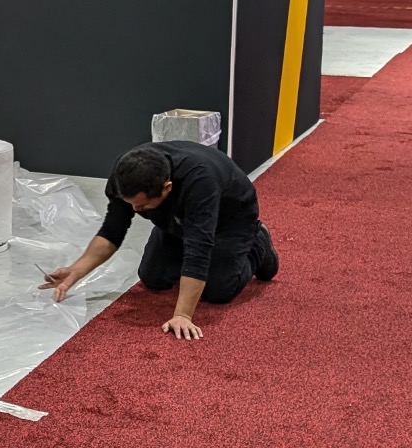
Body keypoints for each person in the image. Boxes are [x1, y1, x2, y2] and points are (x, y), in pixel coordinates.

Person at [41, 140, 278, 341]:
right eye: (132, 204)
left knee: (217, 290)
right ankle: (179, 238)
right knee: (152, 277)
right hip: (177, 218)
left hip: (231, 220)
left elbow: (199, 248)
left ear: (167, 188)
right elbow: (112, 232)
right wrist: (76, 271)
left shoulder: (201, 182)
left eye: (142, 206)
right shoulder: (126, 176)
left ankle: (259, 243)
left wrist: (182, 315)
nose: (135, 210)